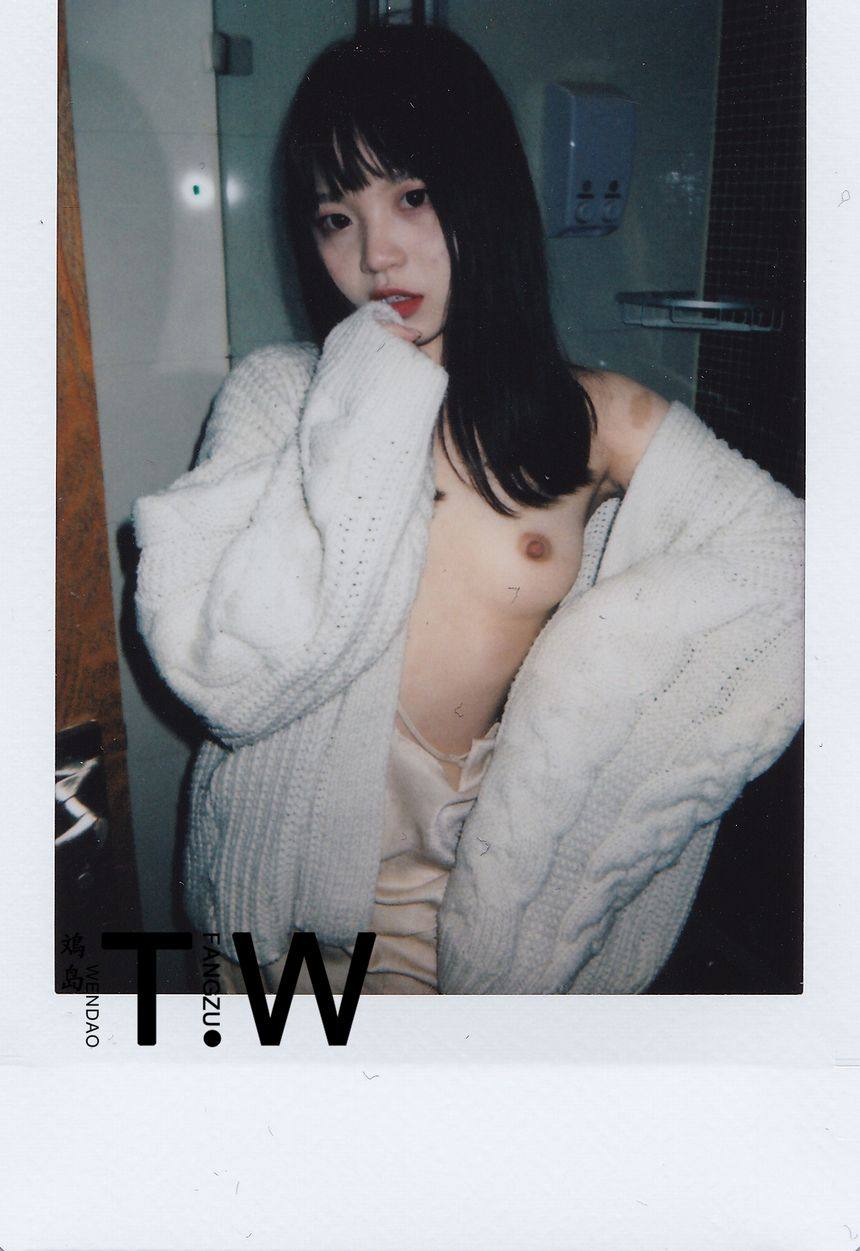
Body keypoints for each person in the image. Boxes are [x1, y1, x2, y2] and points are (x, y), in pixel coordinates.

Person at [132, 25, 803, 996]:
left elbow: (790, 560)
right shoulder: (282, 399)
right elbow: (232, 676)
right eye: (335, 217)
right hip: (283, 921)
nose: (376, 253)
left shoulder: (593, 419)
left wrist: (583, 683)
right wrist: (371, 382)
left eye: (411, 195)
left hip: (475, 917)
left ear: (482, 193)